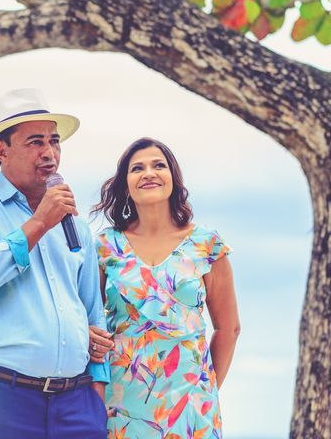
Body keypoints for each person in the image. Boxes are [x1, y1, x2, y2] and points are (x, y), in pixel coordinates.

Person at [0, 88, 112, 439]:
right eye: (35, 142)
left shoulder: (75, 223)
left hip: (77, 403)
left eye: (54, 141)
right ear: (1, 150)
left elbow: (92, 311)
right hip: (1, 397)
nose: (49, 153)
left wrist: (97, 389)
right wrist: (39, 224)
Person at [91, 137, 240, 438]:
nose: (149, 173)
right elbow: (88, 322)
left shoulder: (206, 244)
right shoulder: (106, 246)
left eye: (158, 165)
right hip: (122, 405)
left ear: (173, 177)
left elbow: (228, 329)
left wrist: (203, 388)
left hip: (191, 406)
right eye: (137, 168)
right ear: (126, 184)